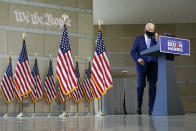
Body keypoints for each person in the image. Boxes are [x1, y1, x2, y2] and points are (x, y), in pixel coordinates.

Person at [130, 23, 158, 115]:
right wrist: (138, 59)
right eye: (149, 30)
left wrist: (157, 40)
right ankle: (139, 105)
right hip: (141, 66)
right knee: (141, 86)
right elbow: (133, 52)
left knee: (153, 87)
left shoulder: (155, 39)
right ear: (145, 29)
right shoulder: (138, 39)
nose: (151, 32)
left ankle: (152, 108)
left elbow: (160, 49)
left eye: (152, 30)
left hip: (153, 66)